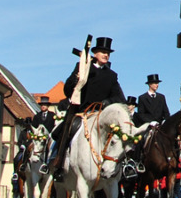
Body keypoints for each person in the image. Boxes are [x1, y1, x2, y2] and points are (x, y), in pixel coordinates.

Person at [45, 36, 126, 179]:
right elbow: (68, 90)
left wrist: (107, 102)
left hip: (102, 115)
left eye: (108, 53)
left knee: (120, 136)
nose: (106, 55)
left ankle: (125, 167)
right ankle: (56, 162)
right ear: (95, 53)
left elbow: (120, 98)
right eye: (102, 52)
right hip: (82, 113)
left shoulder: (112, 75)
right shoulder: (82, 67)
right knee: (64, 130)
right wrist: (76, 79)